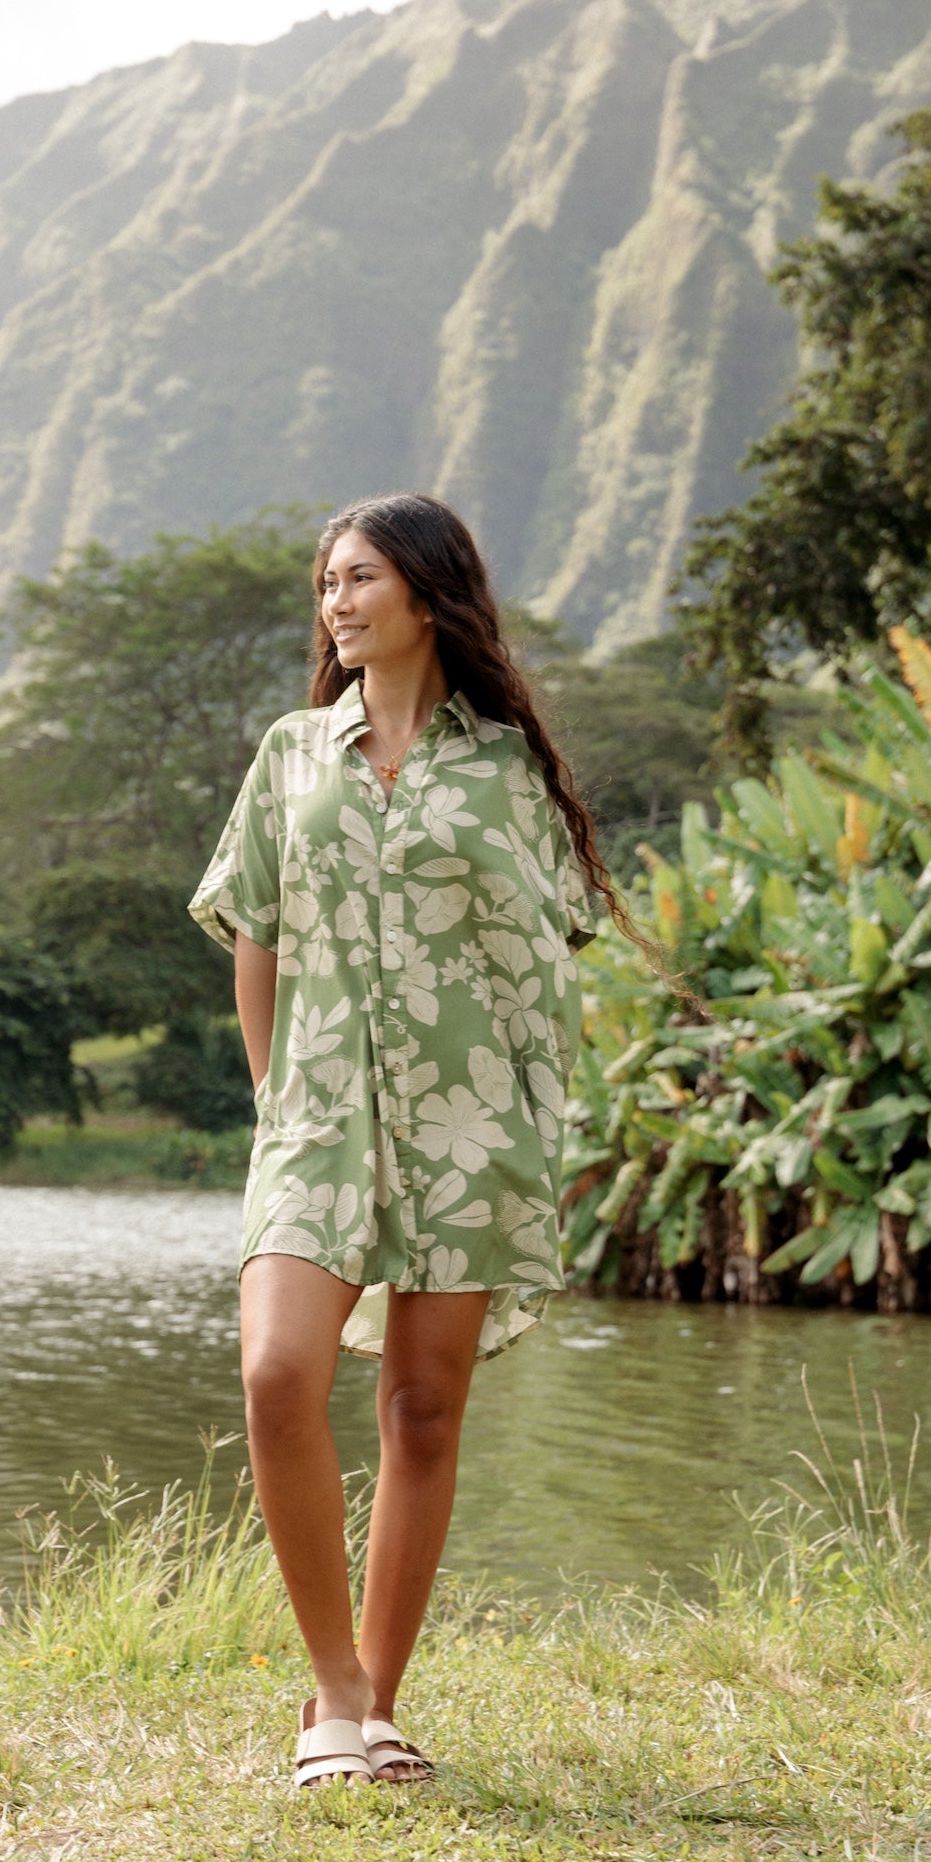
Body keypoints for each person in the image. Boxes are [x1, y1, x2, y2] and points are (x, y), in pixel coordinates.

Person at [189, 491, 636, 1789]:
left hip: (467, 1123)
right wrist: (280, 1102)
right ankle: (327, 1692)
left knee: (424, 1411)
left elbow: (542, 963)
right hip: (316, 1118)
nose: (334, 600)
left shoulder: (503, 773)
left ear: (430, 595)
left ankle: (376, 1706)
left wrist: (524, 1119)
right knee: (279, 1374)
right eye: (326, 581)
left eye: (359, 577)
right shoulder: (289, 755)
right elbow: (256, 943)